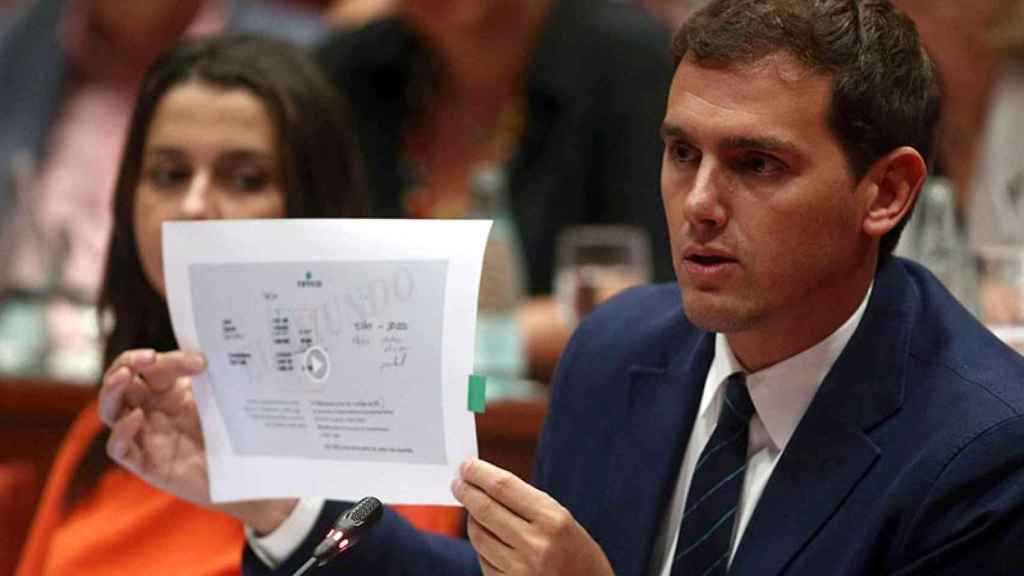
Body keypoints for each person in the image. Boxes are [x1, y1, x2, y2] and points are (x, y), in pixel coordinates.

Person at [99, 1, 1024, 575]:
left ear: (887, 190)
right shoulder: (623, 347)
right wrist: (276, 501)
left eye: (755, 164)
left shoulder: (981, 449)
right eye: (679, 153)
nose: (698, 204)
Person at [15, 34, 459, 576]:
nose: (195, 207)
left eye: (245, 179)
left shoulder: (387, 436)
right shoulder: (116, 419)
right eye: (170, 175)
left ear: (315, 205)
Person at [313, 0, 676, 378]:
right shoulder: (347, 70)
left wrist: (418, 340)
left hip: (556, 417)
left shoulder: (627, 59)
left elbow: (653, 297)